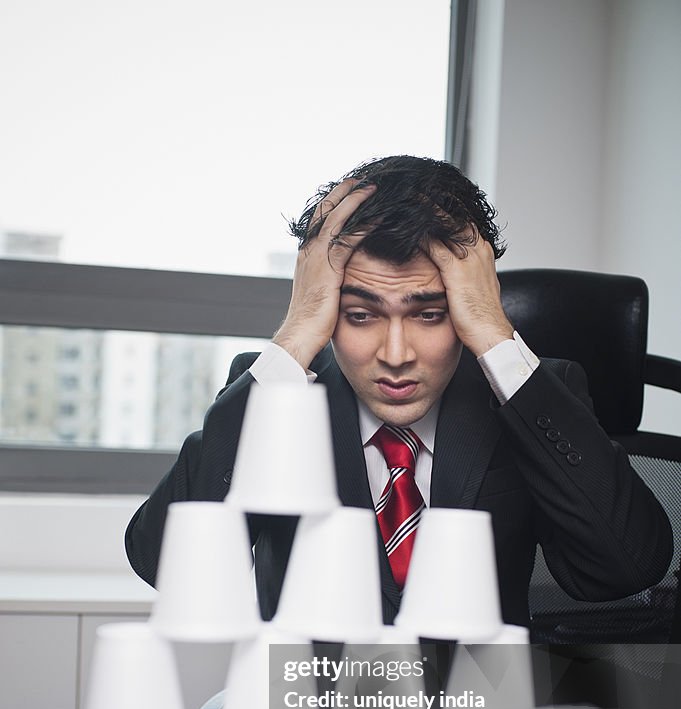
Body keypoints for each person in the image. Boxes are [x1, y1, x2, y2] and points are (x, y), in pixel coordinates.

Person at [125, 155, 673, 634]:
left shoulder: (532, 397)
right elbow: (167, 566)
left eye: (429, 315)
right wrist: (294, 337)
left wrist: (493, 333)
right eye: (359, 315)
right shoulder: (274, 397)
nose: (395, 353)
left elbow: (628, 568)